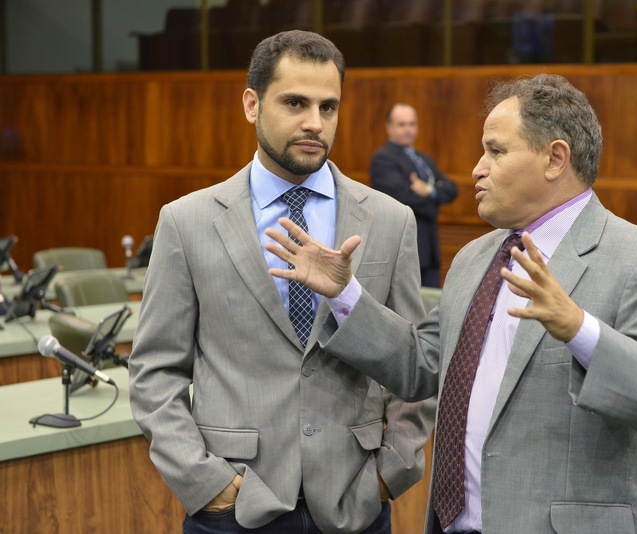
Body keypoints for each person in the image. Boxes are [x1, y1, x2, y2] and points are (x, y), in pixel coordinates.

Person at [266, 74, 637, 533]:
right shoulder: (476, 258)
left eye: (496, 151)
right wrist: (345, 294)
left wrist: (580, 330)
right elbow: (421, 365)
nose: (477, 169)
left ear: (555, 159)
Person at [128, 30, 435, 534]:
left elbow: (416, 367)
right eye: (295, 103)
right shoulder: (186, 221)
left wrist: (391, 471)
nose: (315, 122)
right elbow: (155, 372)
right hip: (235, 507)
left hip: (355, 503)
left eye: (328, 107)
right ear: (252, 105)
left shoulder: (390, 219)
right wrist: (206, 482)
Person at [370, 104, 459, 288]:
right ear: (389, 127)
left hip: (430, 250)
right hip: (404, 251)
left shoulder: (424, 159)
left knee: (431, 301)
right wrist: (434, 202)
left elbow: (451, 190)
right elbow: (404, 198)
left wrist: (428, 190)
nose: (408, 129)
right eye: (402, 124)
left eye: (412, 124)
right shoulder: (383, 159)